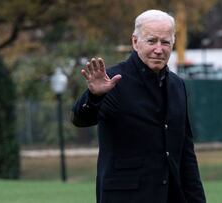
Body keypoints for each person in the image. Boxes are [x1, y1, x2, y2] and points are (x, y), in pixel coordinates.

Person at [71, 9, 206, 203]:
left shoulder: (178, 85)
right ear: (135, 42)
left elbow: (186, 153)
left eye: (165, 42)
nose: (159, 49)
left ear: (173, 43)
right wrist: (94, 97)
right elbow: (80, 119)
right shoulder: (112, 81)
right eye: (152, 41)